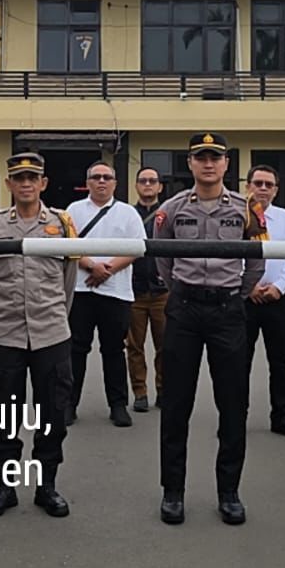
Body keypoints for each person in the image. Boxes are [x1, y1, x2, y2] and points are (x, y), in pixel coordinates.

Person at [150, 132, 266, 527]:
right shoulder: (171, 209)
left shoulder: (247, 209)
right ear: (190, 163)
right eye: (201, 157)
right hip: (184, 309)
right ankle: (173, 491)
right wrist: (181, 291)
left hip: (227, 310)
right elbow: (162, 257)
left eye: (215, 157)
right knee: (175, 404)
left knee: (233, 404)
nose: (208, 163)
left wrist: (237, 295)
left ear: (226, 163)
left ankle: (229, 492)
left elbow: (257, 258)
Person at [0, 153, 78, 519]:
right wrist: (9, 311)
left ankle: (47, 485)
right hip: (8, 335)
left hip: (51, 333)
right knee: (4, 416)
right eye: (18, 178)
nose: (26, 184)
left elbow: (69, 280)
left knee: (53, 413)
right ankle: (4, 488)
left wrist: (53, 315)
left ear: (43, 183)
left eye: (32, 177)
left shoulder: (62, 224)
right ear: (9, 184)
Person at [66, 163, 144, 427]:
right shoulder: (73, 210)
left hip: (116, 292)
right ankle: (69, 405)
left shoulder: (128, 213)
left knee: (114, 350)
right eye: (96, 177)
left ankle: (118, 405)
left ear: (115, 183)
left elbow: (137, 249)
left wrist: (106, 270)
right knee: (76, 350)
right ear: (87, 182)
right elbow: (66, 246)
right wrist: (91, 266)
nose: (101, 181)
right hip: (80, 290)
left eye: (107, 177)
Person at [242, 165, 285, 440]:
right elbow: (231, 257)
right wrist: (248, 287)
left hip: (277, 299)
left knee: (280, 361)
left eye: (269, 184)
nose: (263, 188)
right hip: (245, 298)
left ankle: (281, 417)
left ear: (276, 190)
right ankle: (236, 417)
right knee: (239, 361)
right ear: (248, 186)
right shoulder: (238, 214)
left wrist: (279, 287)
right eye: (258, 183)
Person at [125, 166, 168, 413]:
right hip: (135, 290)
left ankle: (163, 390)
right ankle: (139, 392)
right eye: (143, 181)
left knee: (166, 345)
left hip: (163, 292)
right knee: (134, 346)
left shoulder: (168, 214)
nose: (148, 185)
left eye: (153, 180)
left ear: (160, 186)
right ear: (136, 186)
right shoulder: (127, 215)